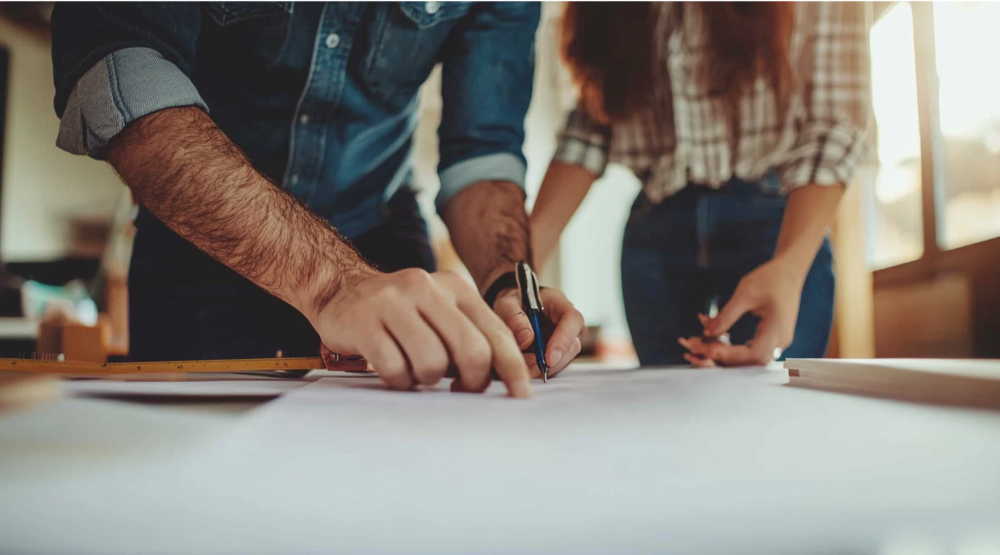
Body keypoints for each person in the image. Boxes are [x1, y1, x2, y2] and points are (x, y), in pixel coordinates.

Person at [50, 1, 585, 398]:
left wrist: (507, 282)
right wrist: (330, 281)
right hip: (200, 253)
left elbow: (482, 151)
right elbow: (118, 73)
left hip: (385, 258)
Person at [530, 1, 871, 367]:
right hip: (655, 234)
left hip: (780, 227)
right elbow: (587, 133)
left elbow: (836, 119)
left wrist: (789, 265)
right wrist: (513, 280)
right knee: (666, 406)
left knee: (775, 405)